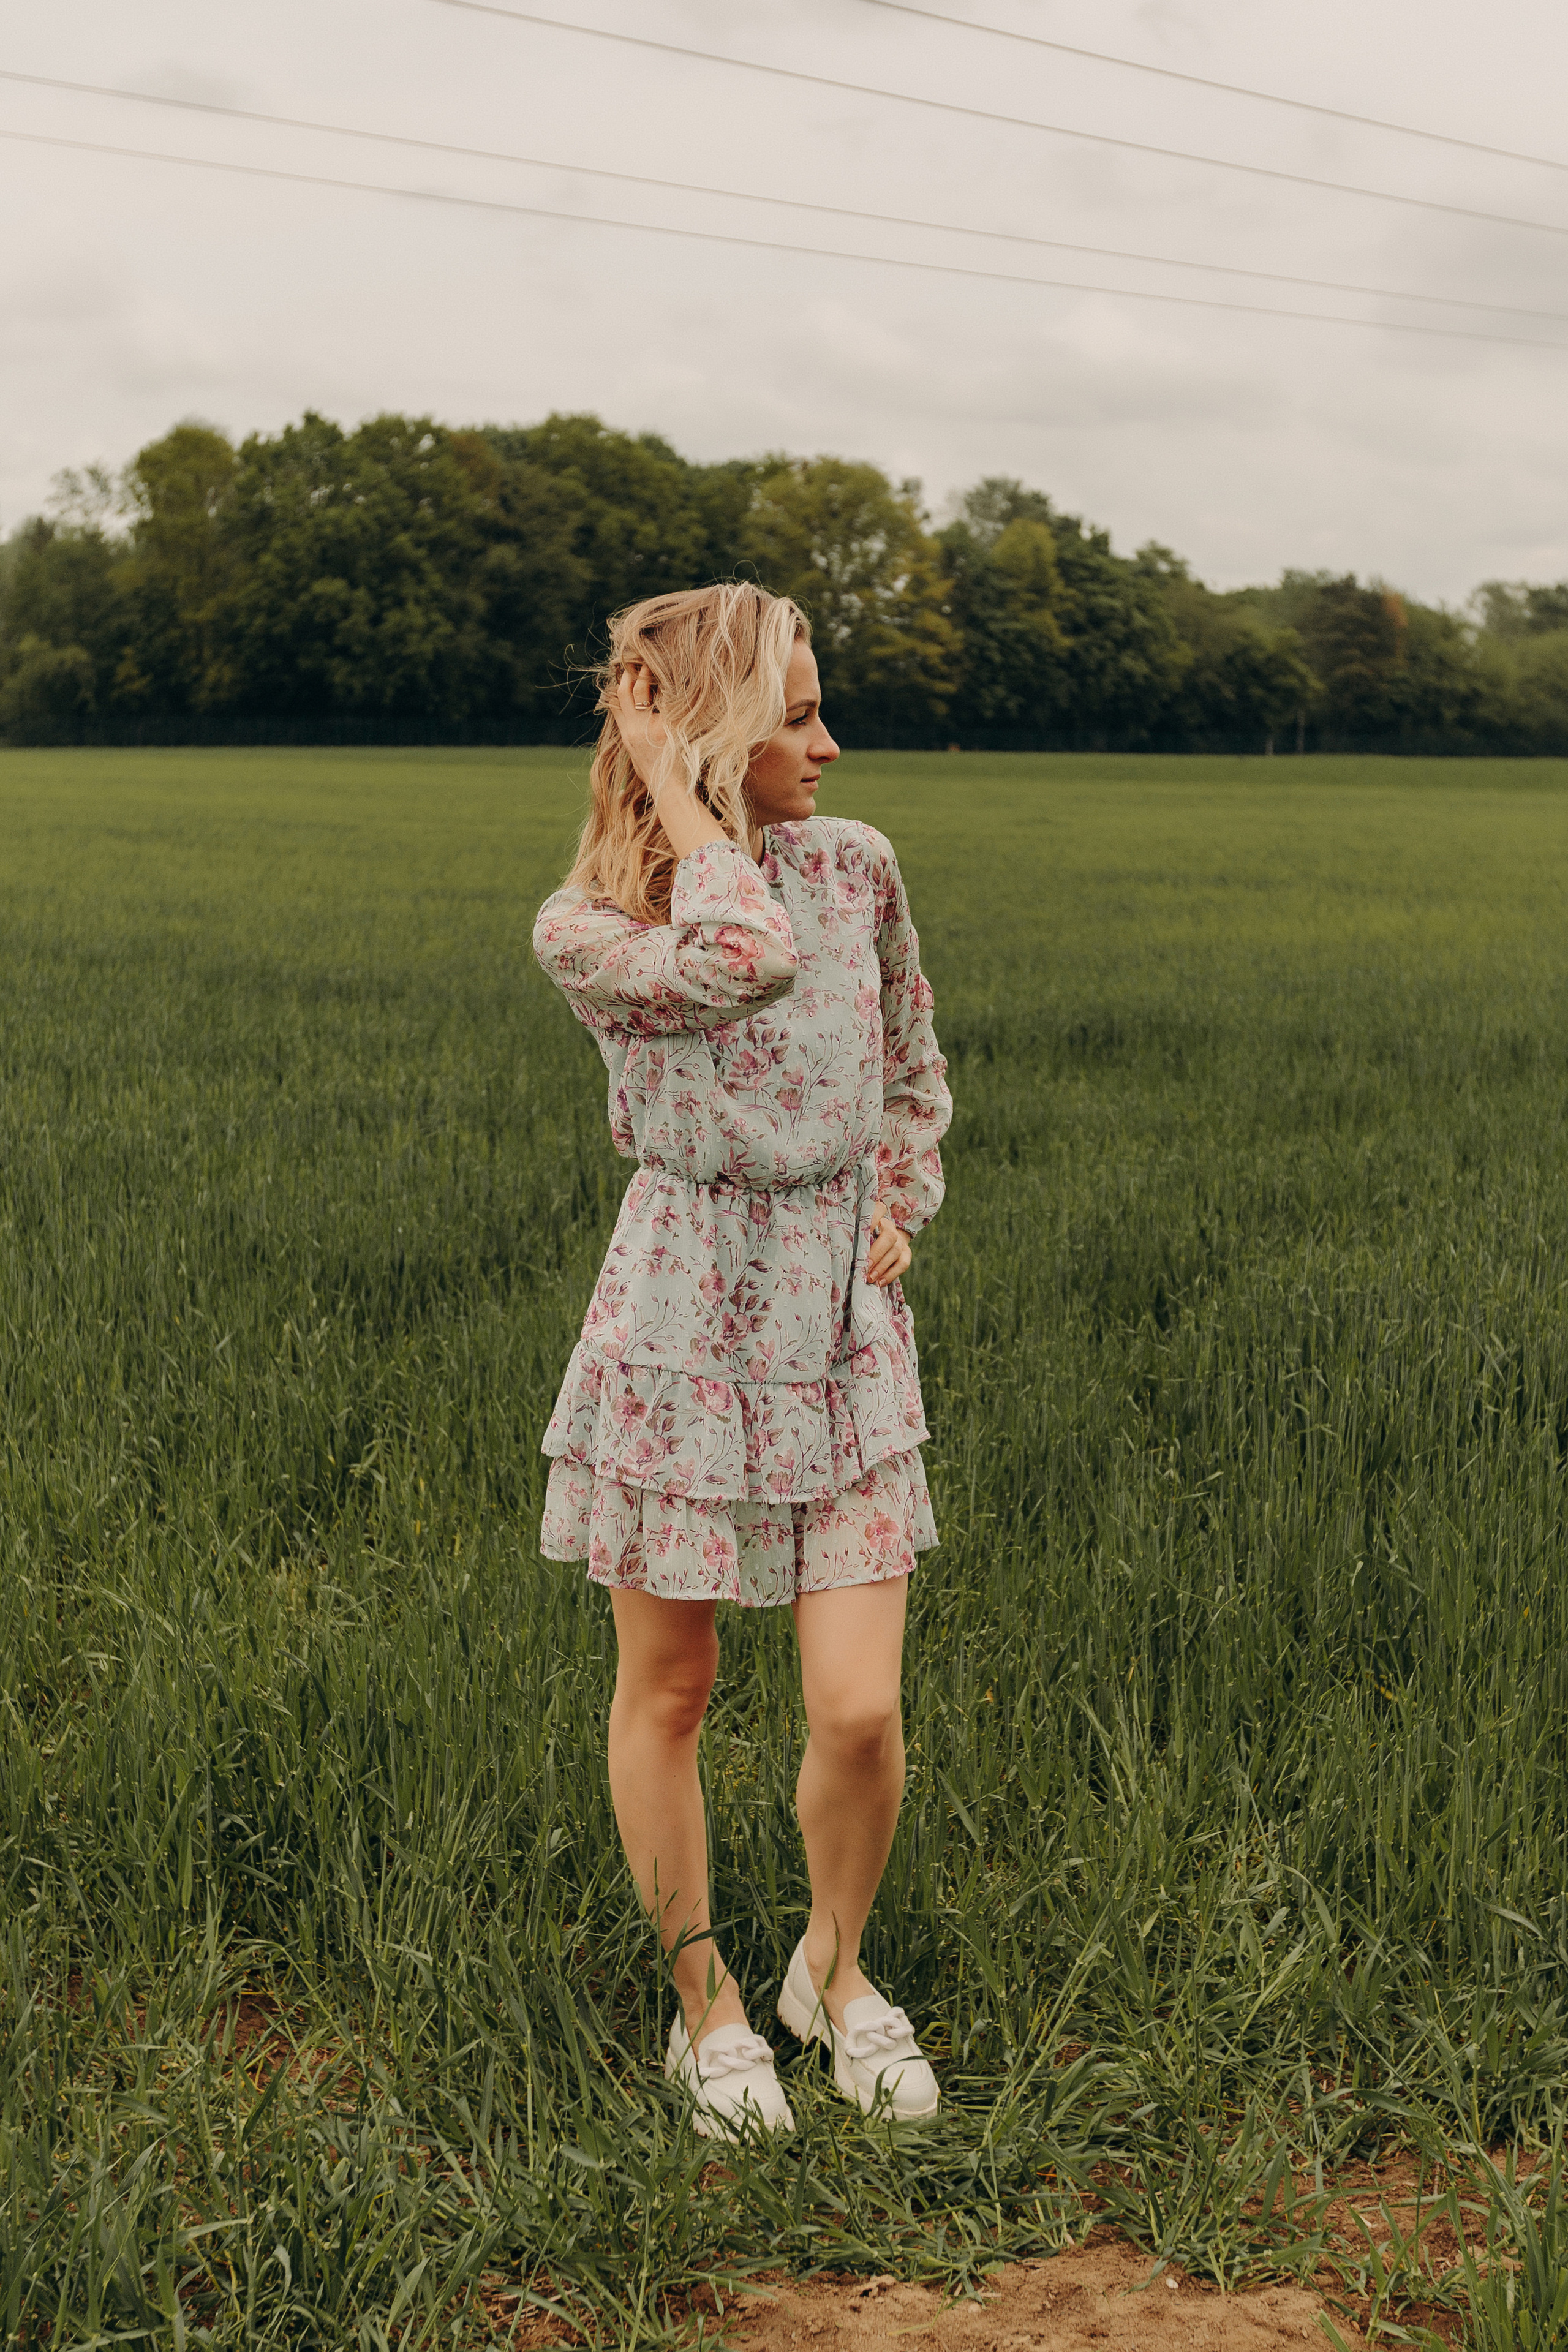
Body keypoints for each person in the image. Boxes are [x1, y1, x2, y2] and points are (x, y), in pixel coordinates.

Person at [532, 581, 952, 2139]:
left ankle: (830, 1976)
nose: (830, 745)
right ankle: (704, 2001)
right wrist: (670, 792)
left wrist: (895, 1200)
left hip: (842, 1322)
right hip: (680, 1325)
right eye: (793, 716)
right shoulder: (588, 930)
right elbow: (743, 961)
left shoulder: (860, 870)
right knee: (673, 1686)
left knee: (853, 1707)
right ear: (708, 737)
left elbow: (912, 1064)